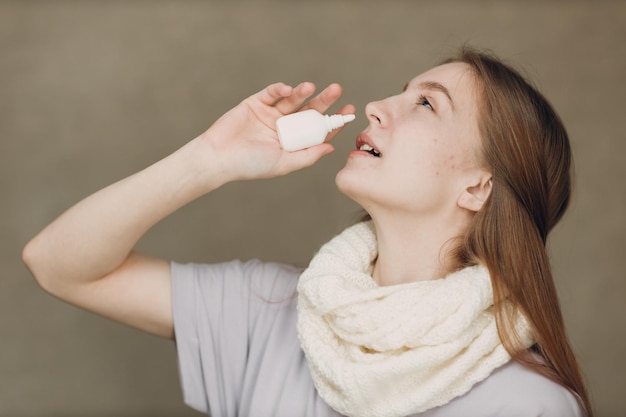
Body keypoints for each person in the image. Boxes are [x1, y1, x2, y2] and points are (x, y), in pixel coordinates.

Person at [23, 46, 593, 417]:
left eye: (426, 103)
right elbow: (57, 263)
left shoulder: (530, 405)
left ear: (477, 187)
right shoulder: (267, 311)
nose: (375, 106)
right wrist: (210, 159)